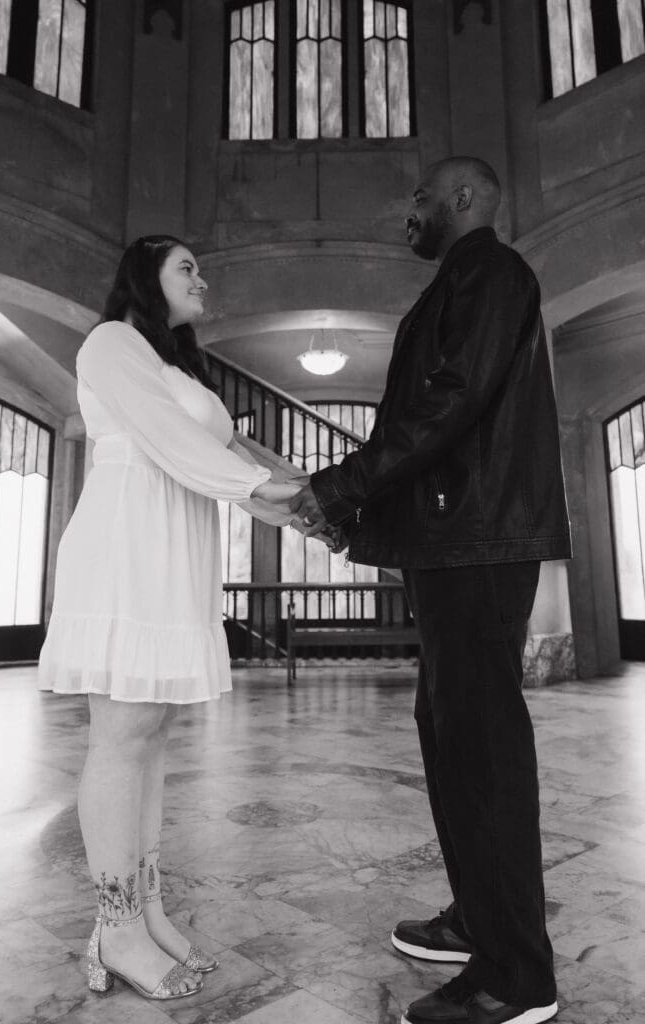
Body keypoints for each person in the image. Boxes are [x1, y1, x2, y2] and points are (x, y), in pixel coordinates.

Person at [290, 157, 571, 1024]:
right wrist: (364, 512)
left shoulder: (491, 271)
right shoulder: (464, 278)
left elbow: (449, 403)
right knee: (449, 739)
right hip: (455, 541)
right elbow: (436, 417)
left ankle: (515, 976)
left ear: (463, 200)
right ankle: (477, 918)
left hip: (478, 541)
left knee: (480, 750)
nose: (403, 209)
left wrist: (343, 484)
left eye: (418, 197)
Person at [38, 235, 313, 1001]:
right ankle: (115, 925)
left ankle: (147, 910)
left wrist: (315, 496)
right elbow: (171, 443)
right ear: (144, 275)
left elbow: (230, 445)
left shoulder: (173, 363)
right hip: (127, 547)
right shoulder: (110, 343)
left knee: (151, 735)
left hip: (175, 552)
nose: (201, 277)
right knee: (121, 735)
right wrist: (284, 499)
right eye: (185, 266)